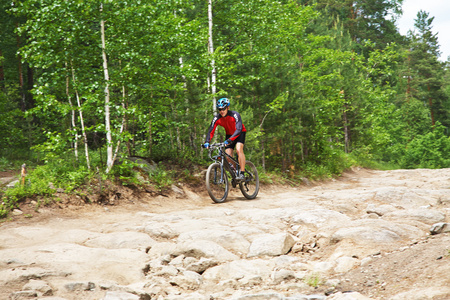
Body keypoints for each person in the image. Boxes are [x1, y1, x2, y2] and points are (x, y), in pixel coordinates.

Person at [203, 97, 247, 180]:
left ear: (228, 108)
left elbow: (238, 129)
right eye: (219, 109)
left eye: (223, 109)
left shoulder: (235, 115)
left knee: (238, 149)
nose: (221, 111)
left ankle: (242, 173)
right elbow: (211, 130)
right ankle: (235, 173)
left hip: (240, 133)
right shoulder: (217, 118)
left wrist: (229, 140)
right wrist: (207, 142)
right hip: (229, 135)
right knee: (228, 155)